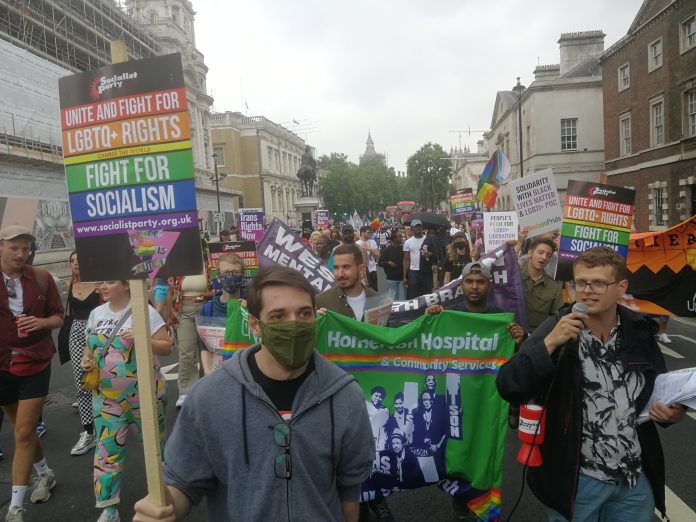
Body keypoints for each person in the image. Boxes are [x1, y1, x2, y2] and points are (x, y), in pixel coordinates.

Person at [132, 266, 374, 521]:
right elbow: (182, 483)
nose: (294, 325)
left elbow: (349, 488)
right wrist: (163, 508)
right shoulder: (210, 398)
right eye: (278, 316)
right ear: (255, 325)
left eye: (304, 313)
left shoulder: (345, 395)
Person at [496, 247, 686, 522]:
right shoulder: (557, 327)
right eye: (581, 282)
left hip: (633, 480)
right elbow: (508, 384)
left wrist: (673, 413)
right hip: (577, 480)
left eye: (599, 283)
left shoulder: (640, 331)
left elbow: (660, 390)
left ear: (621, 288)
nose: (587, 290)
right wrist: (550, 343)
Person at [81, 280, 171, 522]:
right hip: (106, 399)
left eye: (110, 281)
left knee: (155, 450)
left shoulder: (145, 311)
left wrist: (144, 339)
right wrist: (87, 360)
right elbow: (89, 349)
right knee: (106, 453)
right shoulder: (95, 314)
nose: (103, 286)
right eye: (101, 282)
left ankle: (164, 497)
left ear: (127, 284)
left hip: (145, 396)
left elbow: (167, 347)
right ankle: (109, 509)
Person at [0, 225, 63, 522]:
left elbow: (58, 316)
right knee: (19, 430)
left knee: (25, 431)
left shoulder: (41, 278)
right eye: (14, 248)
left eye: (25, 249)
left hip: (35, 361)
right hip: (1, 364)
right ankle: (45, 473)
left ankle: (15, 508)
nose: (21, 254)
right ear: (1, 246)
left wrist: (41, 323)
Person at [63, 251, 101, 456]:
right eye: (71, 261)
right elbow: (68, 314)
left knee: (103, 377)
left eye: (79, 259)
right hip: (76, 331)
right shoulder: (70, 284)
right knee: (82, 381)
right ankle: (88, 431)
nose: (75, 263)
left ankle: (109, 422)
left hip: (98, 331)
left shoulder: (100, 284)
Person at [168, 268, 213, 407]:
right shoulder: (179, 267)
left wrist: (205, 296)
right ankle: (186, 390)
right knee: (186, 351)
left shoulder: (208, 265)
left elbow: (214, 291)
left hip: (205, 309)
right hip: (184, 311)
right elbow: (170, 293)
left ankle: (206, 388)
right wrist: (170, 315)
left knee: (208, 350)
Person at [199, 254, 246, 374]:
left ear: (242, 275)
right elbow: (204, 344)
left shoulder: (253, 304)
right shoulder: (208, 309)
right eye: (225, 273)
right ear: (219, 277)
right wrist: (207, 371)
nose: (230, 276)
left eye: (235, 272)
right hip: (217, 371)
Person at [316, 244, 377, 322]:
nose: (340, 274)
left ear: (361, 269)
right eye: (336, 268)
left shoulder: (378, 301)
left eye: (346, 267)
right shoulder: (322, 302)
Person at [521, 237, 564, 332]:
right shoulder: (514, 279)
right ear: (530, 253)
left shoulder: (554, 287)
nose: (544, 257)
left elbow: (556, 319)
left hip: (536, 340)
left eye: (548, 255)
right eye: (540, 252)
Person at [402, 220, 439, 299]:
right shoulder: (408, 242)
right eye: (416, 227)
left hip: (426, 271)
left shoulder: (429, 239)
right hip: (414, 272)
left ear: (422, 227)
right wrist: (404, 276)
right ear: (412, 229)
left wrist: (429, 254)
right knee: (413, 296)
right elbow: (406, 259)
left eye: (419, 226)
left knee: (427, 295)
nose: (418, 228)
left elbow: (436, 255)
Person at [378, 231, 405, 300]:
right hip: (391, 279)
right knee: (393, 300)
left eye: (402, 237)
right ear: (394, 239)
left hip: (402, 279)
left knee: (402, 299)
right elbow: (380, 262)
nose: (402, 238)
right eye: (400, 237)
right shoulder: (388, 249)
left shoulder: (403, 248)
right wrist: (388, 263)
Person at [365, 386, 389, 452]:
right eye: (376, 395)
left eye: (380, 397)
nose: (378, 398)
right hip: (366, 440)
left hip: (380, 442)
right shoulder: (365, 405)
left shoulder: (385, 410)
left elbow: (385, 427)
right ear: (372, 395)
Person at [356, 226, 380, 292]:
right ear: (362, 233)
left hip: (372, 269)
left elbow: (377, 256)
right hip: (363, 271)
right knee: (365, 290)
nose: (370, 234)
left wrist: (370, 250)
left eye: (371, 233)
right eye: (368, 232)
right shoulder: (357, 244)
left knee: (375, 289)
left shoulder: (373, 242)